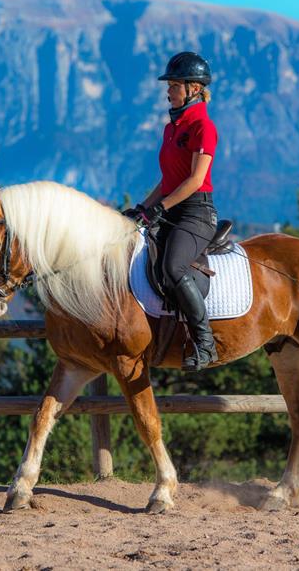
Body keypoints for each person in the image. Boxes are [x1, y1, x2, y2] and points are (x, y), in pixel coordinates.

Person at [124, 51, 219, 372]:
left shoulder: (203, 127)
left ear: (193, 88)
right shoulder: (172, 128)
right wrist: (142, 209)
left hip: (196, 214)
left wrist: (159, 209)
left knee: (174, 267)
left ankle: (205, 343)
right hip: (171, 208)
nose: (168, 91)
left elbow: (194, 181)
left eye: (174, 85)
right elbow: (167, 180)